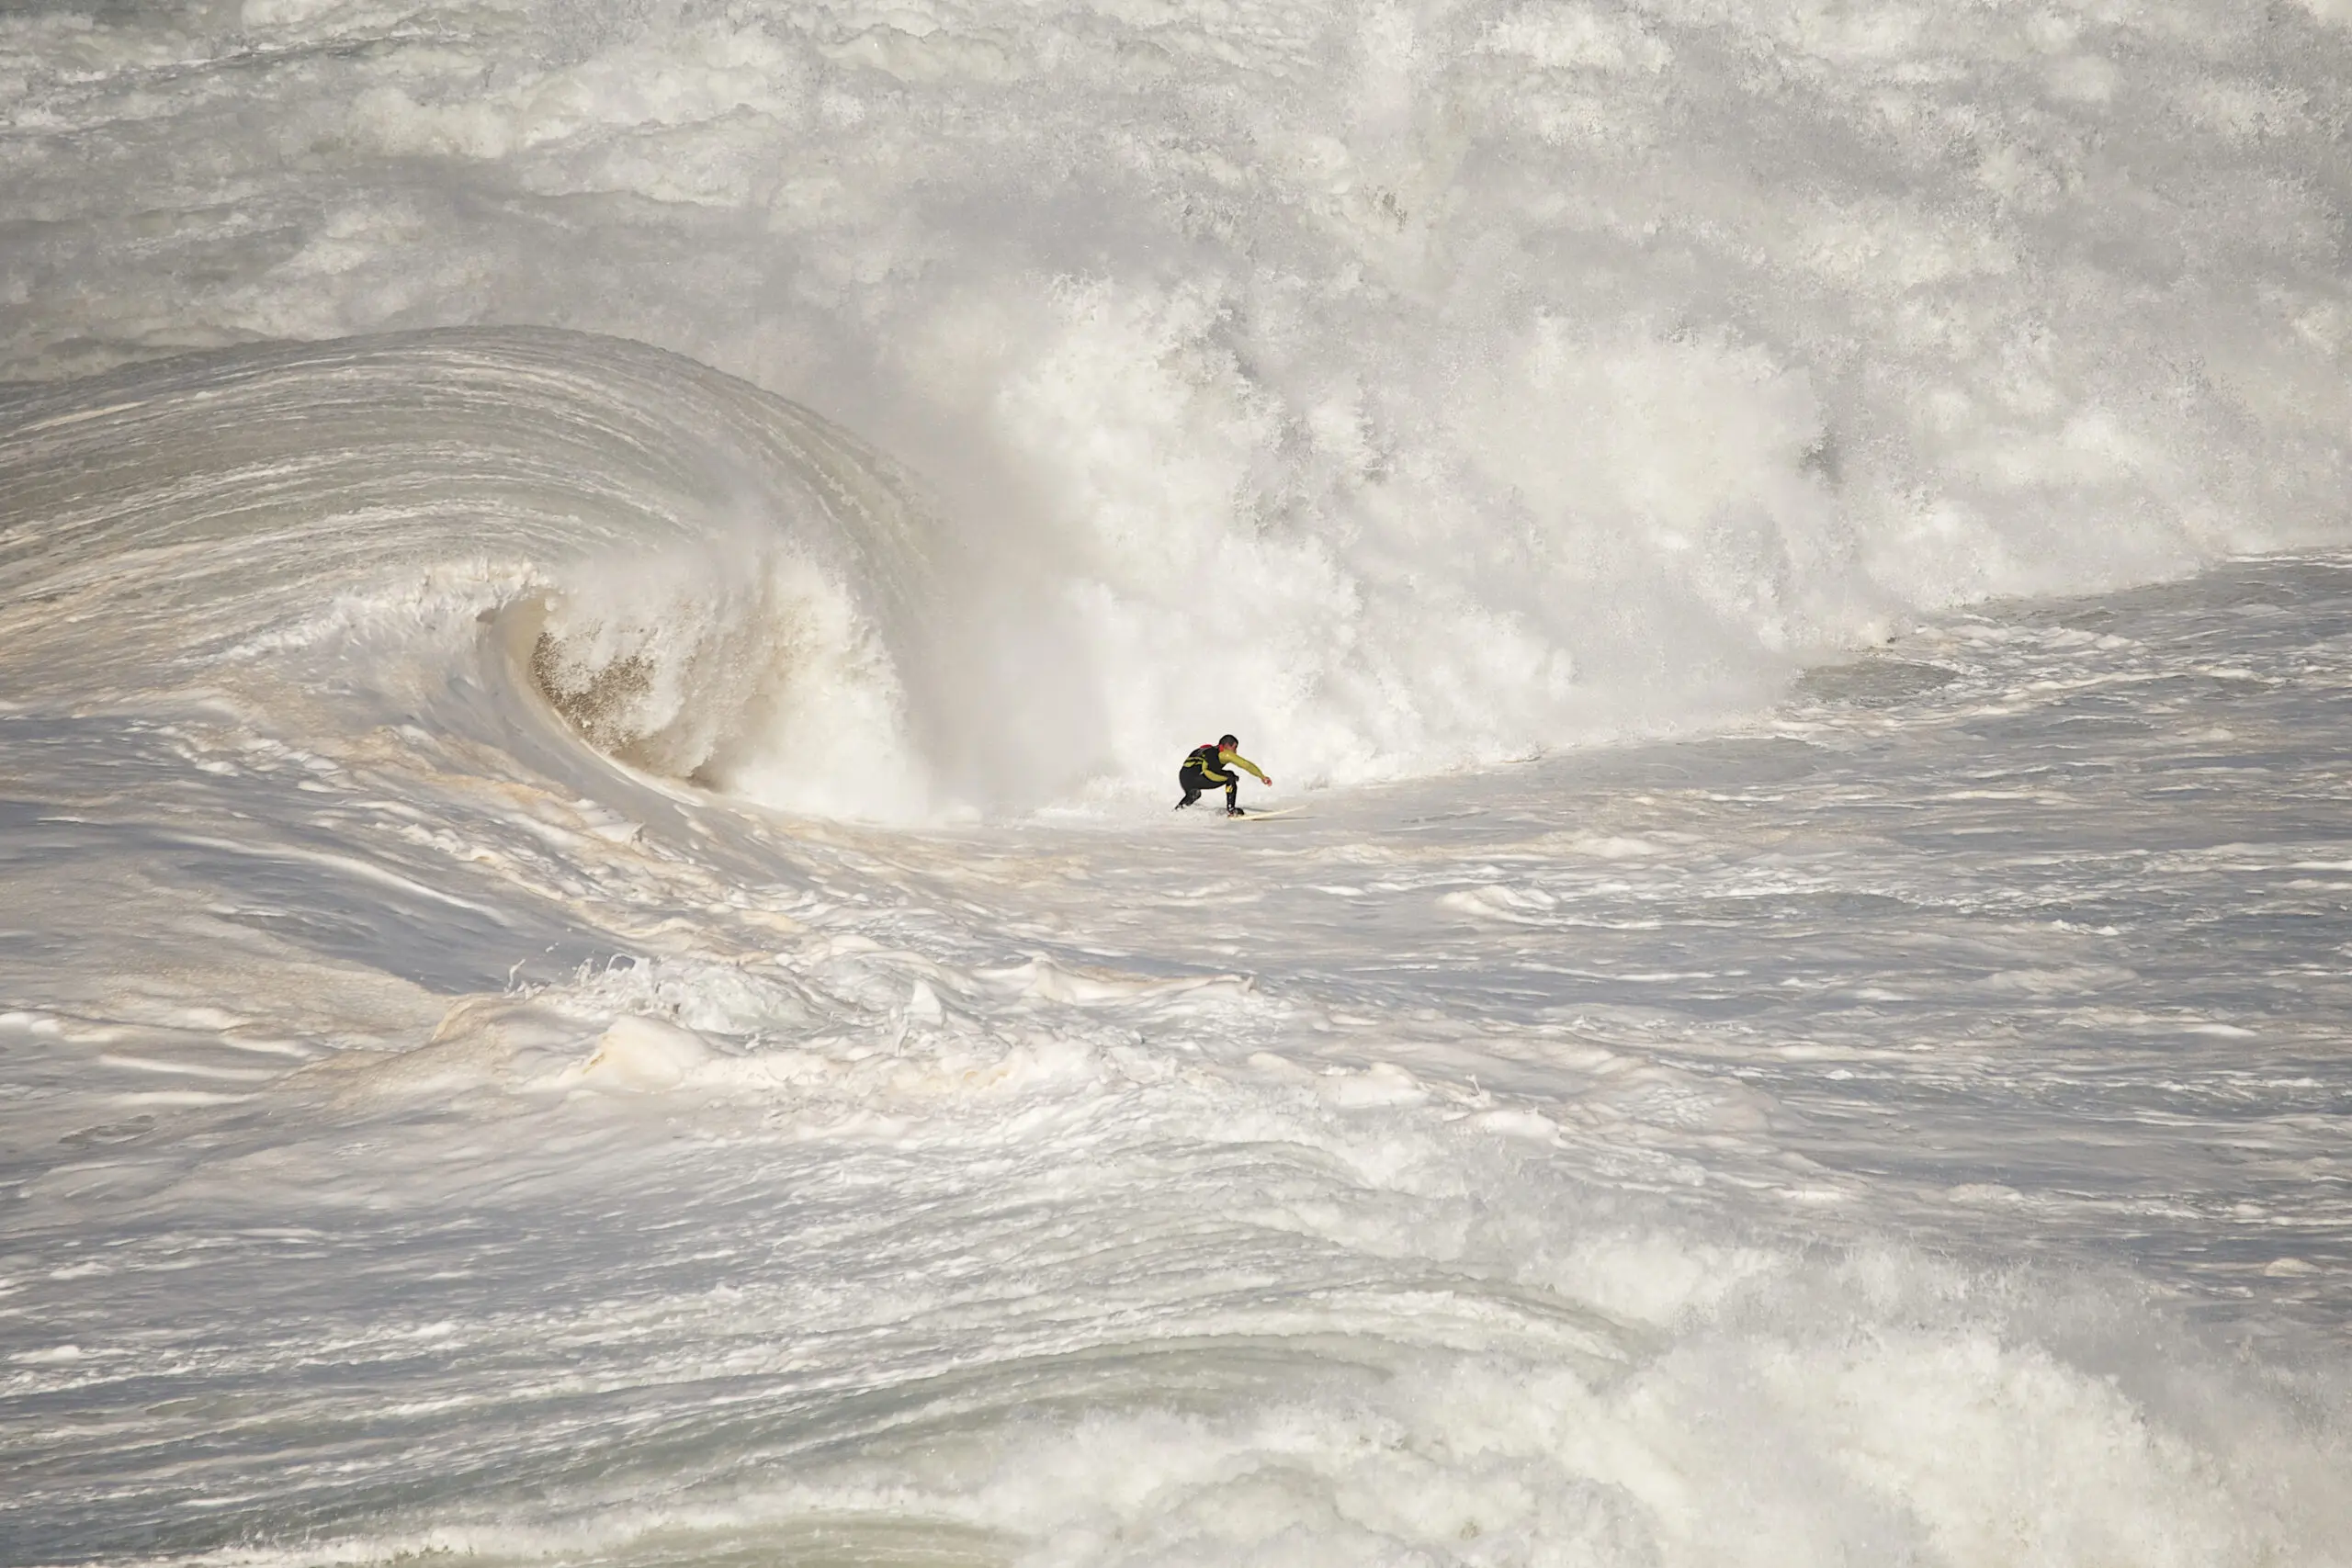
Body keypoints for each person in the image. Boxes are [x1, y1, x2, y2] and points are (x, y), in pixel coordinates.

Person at [1175, 734, 1272, 816]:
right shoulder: (1224, 753)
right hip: (1199, 775)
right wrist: (1262, 776)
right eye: (1234, 748)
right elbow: (1246, 764)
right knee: (1230, 776)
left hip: (1184, 777)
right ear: (1226, 746)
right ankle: (1231, 810)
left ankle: (1177, 812)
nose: (1235, 752)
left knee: (1194, 794)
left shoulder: (1207, 749)